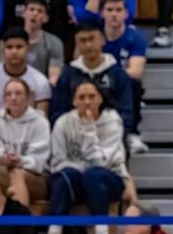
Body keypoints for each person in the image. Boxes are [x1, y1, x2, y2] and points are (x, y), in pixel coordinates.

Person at [41, 80, 129, 234]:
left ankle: (101, 233)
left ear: (100, 99)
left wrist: (89, 131)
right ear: (74, 101)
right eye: (81, 97)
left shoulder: (112, 120)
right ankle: (54, 233)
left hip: (109, 178)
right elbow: (57, 162)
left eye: (91, 96)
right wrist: (79, 170)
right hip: (76, 179)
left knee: (93, 174)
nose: (87, 102)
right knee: (64, 176)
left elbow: (102, 163)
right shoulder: (63, 122)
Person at [49, 20, 139, 153]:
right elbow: (58, 112)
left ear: (102, 39)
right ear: (76, 43)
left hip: (111, 137)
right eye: (82, 41)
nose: (88, 45)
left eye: (92, 39)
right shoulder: (69, 74)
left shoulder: (117, 73)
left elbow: (126, 112)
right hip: (75, 138)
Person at [0, 78, 51, 206]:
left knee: (17, 174)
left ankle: (19, 223)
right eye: (8, 94)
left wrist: (19, 161)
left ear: (27, 97)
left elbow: (39, 163)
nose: (13, 98)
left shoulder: (40, 122)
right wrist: (2, 159)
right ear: (4, 99)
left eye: (18, 93)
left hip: (36, 177)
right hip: (3, 172)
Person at [0, 27, 52, 117]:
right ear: (3, 49)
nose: (14, 51)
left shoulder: (40, 81)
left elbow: (41, 117)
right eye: (9, 47)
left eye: (19, 47)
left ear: (28, 48)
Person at [101, 0, 147, 135]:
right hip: (97, 82)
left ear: (126, 13)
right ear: (102, 13)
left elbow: (136, 72)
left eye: (118, 10)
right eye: (109, 10)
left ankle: (131, 134)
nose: (114, 14)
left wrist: (112, 74)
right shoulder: (95, 36)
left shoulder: (135, 37)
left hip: (122, 84)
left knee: (133, 84)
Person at [21, 0, 64, 84]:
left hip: (42, 87)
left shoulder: (54, 42)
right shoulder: (11, 39)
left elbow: (54, 76)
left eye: (40, 11)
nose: (35, 13)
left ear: (46, 18)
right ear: (23, 13)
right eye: (31, 9)